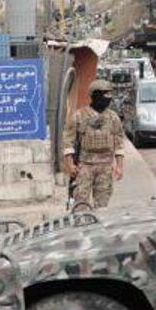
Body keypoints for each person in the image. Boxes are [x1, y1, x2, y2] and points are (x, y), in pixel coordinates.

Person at [62, 80, 127, 213]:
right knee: (80, 204)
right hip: (84, 166)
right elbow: (68, 141)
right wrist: (70, 164)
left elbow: (119, 143)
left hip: (105, 167)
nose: (106, 99)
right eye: (103, 95)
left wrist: (119, 166)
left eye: (109, 95)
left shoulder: (113, 118)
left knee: (102, 207)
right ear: (94, 95)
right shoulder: (79, 116)